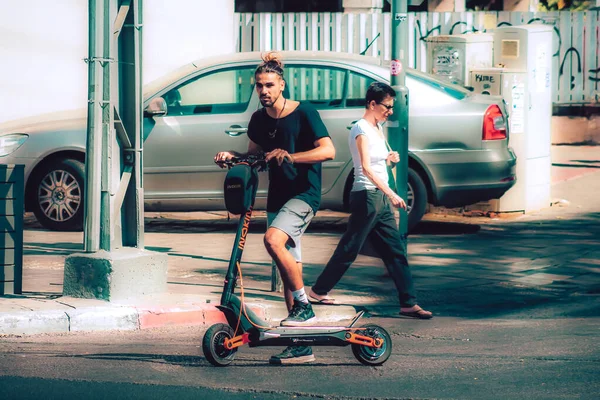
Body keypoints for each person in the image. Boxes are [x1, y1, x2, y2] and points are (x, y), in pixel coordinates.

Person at [214, 52, 335, 364]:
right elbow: (256, 158)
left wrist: (292, 156)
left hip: (304, 195)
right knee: (288, 265)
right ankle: (301, 344)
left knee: (272, 240)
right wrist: (233, 157)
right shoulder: (258, 120)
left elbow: (328, 150)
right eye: (259, 86)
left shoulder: (304, 112)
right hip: (278, 198)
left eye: (269, 85)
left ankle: (304, 307)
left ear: (281, 84)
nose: (263, 91)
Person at [309, 82, 432, 320]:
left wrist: (388, 159)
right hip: (366, 195)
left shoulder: (378, 128)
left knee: (395, 251)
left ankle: (408, 303)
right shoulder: (360, 129)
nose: (390, 111)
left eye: (392, 106)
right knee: (350, 247)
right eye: (387, 106)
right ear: (372, 104)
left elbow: (375, 163)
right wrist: (391, 193)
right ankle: (318, 290)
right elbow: (364, 167)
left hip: (379, 198)